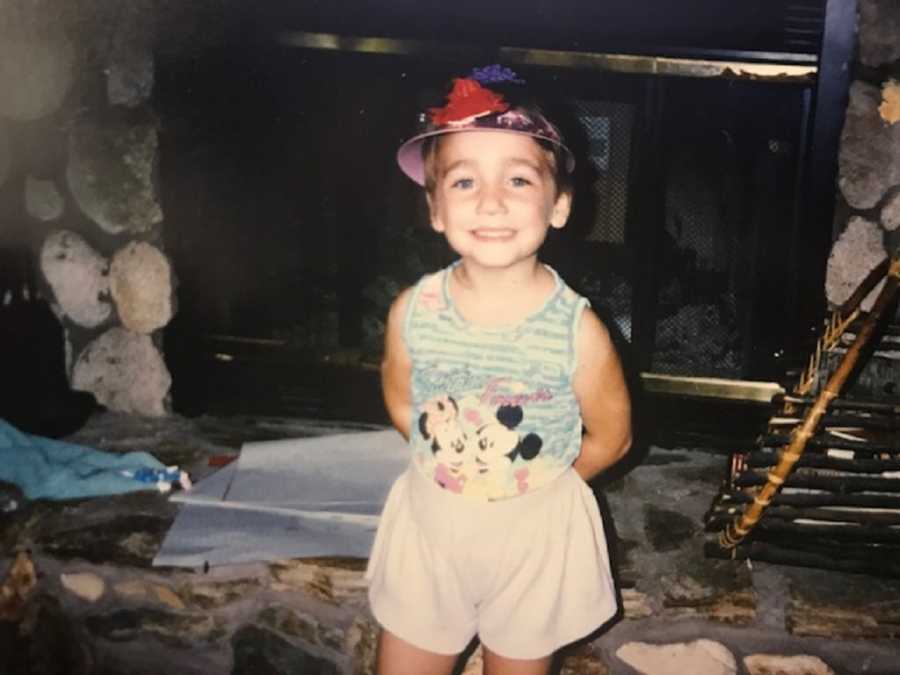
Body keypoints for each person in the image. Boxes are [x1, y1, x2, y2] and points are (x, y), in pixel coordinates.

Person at [366, 65, 632, 675]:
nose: (491, 201)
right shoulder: (413, 311)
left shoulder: (578, 331)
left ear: (559, 205)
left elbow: (613, 437)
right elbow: (403, 400)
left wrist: (538, 489)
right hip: (431, 532)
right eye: (463, 182)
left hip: (531, 540)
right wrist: (455, 468)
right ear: (434, 209)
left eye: (517, 178)